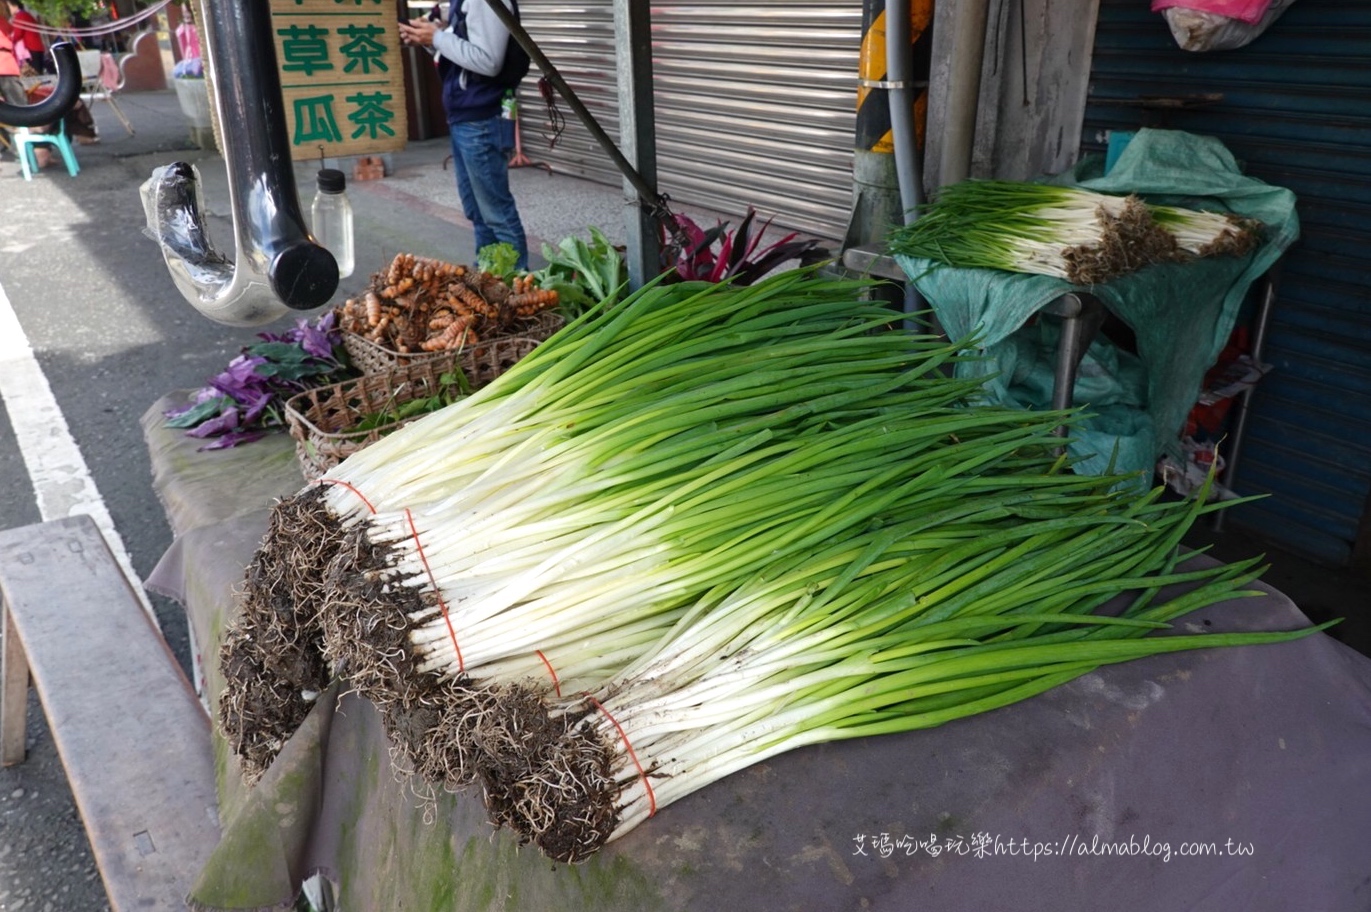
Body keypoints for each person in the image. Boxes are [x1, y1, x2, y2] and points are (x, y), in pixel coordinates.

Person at [399, 1, 529, 269]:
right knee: (478, 213)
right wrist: (430, 39)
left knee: (496, 213)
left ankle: (520, 288)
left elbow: (488, 61)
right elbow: (463, 51)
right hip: (466, 117)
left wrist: (435, 36)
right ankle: (489, 281)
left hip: (481, 118)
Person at [9, 0, 47, 73]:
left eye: (10, 6)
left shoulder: (20, 15)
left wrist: (9, 41)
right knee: (38, 72)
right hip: (36, 47)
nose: (9, 9)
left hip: (31, 48)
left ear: (15, 6)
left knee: (35, 74)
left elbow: (18, 34)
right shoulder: (26, 14)